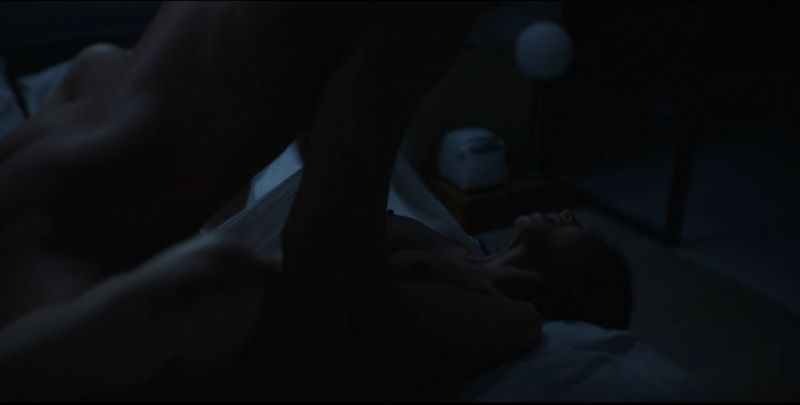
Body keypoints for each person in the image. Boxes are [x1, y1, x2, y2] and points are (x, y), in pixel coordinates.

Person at [0, 2, 630, 400]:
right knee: (215, 270)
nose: (572, 217)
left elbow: (327, 243)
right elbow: (323, 234)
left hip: (47, 177)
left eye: (590, 238)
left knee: (106, 67)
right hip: (66, 225)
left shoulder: (509, 314)